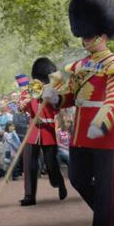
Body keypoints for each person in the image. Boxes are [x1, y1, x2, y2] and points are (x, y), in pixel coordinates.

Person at [42, 0, 114, 226]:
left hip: (104, 136)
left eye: (89, 35)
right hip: (81, 136)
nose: (84, 40)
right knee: (78, 179)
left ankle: (107, 218)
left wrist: (101, 123)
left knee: (105, 190)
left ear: (102, 35)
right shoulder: (80, 66)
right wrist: (55, 99)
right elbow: (72, 95)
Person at [18, 57, 67, 206]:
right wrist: (24, 104)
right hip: (33, 131)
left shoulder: (53, 90)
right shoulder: (29, 89)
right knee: (29, 164)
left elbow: (57, 107)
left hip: (48, 130)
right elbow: (22, 107)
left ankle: (58, 182)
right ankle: (29, 195)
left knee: (51, 164)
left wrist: (50, 96)